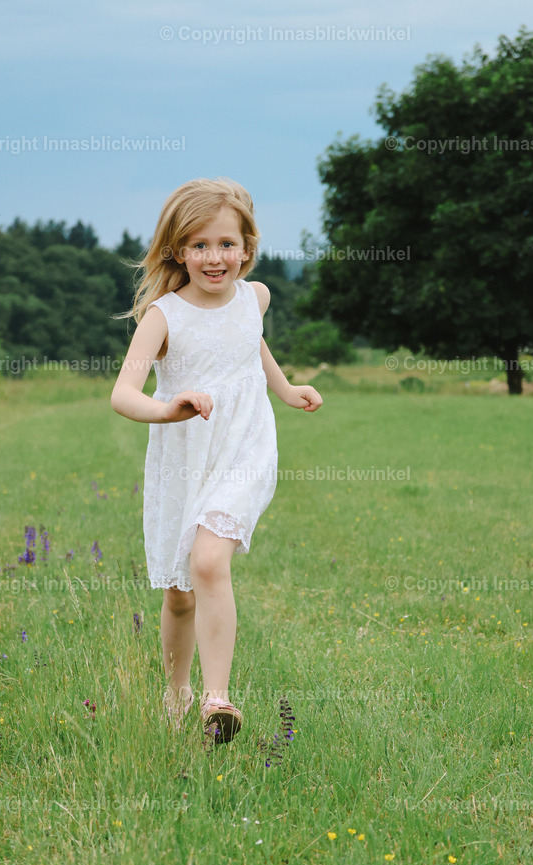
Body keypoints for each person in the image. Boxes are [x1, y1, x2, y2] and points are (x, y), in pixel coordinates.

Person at [110, 177, 322, 745]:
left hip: (246, 448)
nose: (214, 257)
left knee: (208, 562)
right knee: (178, 593)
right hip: (185, 454)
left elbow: (251, 345)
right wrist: (169, 407)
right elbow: (123, 395)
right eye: (199, 245)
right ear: (178, 250)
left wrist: (283, 387)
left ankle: (216, 698)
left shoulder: (256, 297)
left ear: (247, 247)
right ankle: (175, 691)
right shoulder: (164, 316)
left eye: (227, 244)